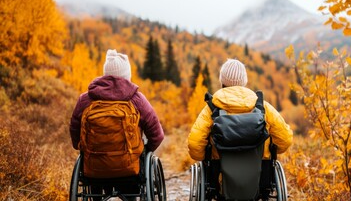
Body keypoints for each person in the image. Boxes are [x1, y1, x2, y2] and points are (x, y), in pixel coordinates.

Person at [187, 58, 293, 198]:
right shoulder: (262, 107)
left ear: (222, 81)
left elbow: (194, 145)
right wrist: (269, 151)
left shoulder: (211, 109)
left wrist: (206, 156)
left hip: (220, 179)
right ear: (244, 81)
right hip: (260, 178)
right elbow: (285, 140)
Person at [70, 49, 164, 199]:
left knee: (93, 170)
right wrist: (146, 151)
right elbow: (157, 135)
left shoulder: (86, 100)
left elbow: (75, 130)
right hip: (129, 169)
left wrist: (80, 146)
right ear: (127, 76)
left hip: (95, 169)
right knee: (134, 167)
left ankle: (96, 197)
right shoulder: (137, 99)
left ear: (105, 74)